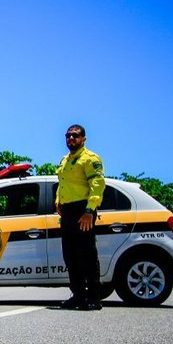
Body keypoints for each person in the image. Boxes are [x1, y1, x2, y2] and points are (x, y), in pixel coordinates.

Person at [55, 124, 105, 311]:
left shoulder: (90, 159)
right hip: (67, 212)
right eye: (68, 136)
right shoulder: (65, 160)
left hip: (83, 211)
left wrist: (89, 211)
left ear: (83, 138)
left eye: (75, 136)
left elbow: (98, 185)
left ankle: (93, 297)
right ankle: (77, 295)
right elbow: (62, 183)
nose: (71, 139)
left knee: (87, 256)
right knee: (70, 255)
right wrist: (58, 201)